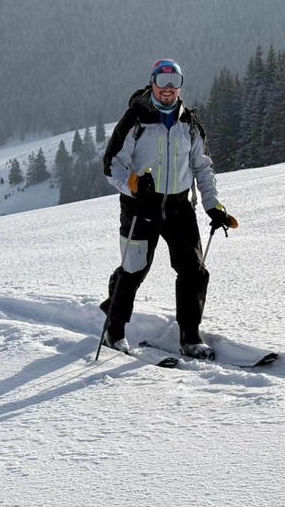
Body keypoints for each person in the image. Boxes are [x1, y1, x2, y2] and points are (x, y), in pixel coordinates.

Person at [99, 58, 237, 359]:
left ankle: (190, 336)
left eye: (175, 81)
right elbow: (112, 166)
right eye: (162, 82)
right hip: (140, 208)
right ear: (152, 83)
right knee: (133, 270)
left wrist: (213, 206)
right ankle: (114, 329)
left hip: (178, 208)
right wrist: (134, 184)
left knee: (194, 271)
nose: (168, 89)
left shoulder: (190, 123)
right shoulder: (136, 119)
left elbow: (203, 167)